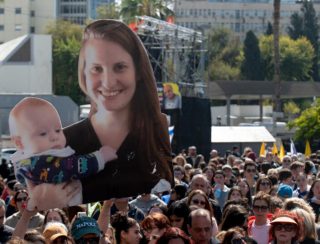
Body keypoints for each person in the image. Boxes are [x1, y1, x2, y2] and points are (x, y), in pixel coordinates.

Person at [26, 19, 174, 209]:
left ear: (137, 71)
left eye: (119, 67)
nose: (108, 82)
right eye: (97, 69)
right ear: (84, 74)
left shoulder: (155, 131)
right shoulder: (63, 145)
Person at [9, 97, 117, 209]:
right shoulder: (39, 162)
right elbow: (71, 167)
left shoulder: (28, 161)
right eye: (42, 133)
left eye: (57, 130)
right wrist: (100, 157)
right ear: (19, 143)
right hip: (66, 206)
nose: (54, 137)